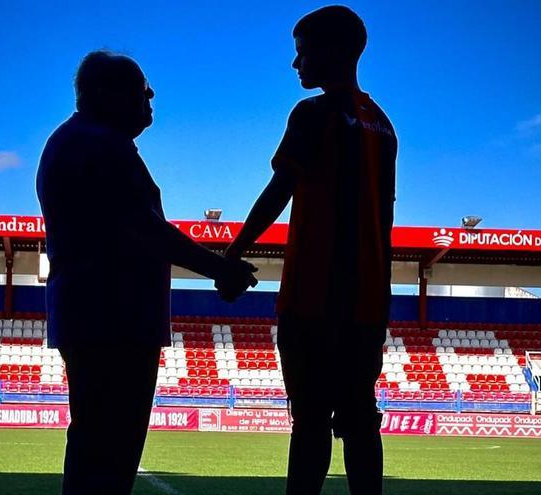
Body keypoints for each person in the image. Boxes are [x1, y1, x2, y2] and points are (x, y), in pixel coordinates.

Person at [36, 50, 258, 495]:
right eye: (140, 88)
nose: (150, 95)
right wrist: (221, 269)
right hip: (113, 318)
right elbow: (144, 230)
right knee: (109, 453)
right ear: (104, 93)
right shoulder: (98, 145)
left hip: (99, 316)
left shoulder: (81, 142)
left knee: (96, 447)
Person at [225, 6, 397, 494]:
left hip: (315, 296)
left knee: (311, 422)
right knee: (361, 420)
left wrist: (233, 252)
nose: (295, 64)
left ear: (335, 52)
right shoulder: (383, 124)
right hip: (367, 302)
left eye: (302, 52)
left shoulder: (314, 114)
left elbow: (280, 189)